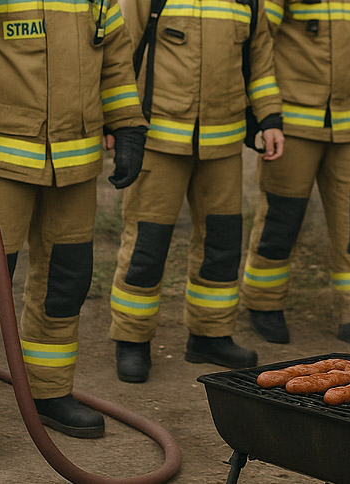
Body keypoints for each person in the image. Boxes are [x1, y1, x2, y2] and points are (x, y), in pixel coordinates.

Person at [0, 0, 147, 470]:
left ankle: (49, 391)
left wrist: (127, 126)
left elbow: (116, 57)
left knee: (66, 283)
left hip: (75, 165)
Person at [108, 0, 284, 382]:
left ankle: (210, 334)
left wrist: (269, 117)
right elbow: (121, 52)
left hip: (223, 145)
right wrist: (119, 123)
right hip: (158, 140)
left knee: (221, 244)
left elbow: (260, 63)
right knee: (146, 244)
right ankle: (132, 338)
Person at [241, 0, 350, 349]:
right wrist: (261, 109)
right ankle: (263, 303)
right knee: (280, 219)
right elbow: (259, 43)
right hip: (292, 124)